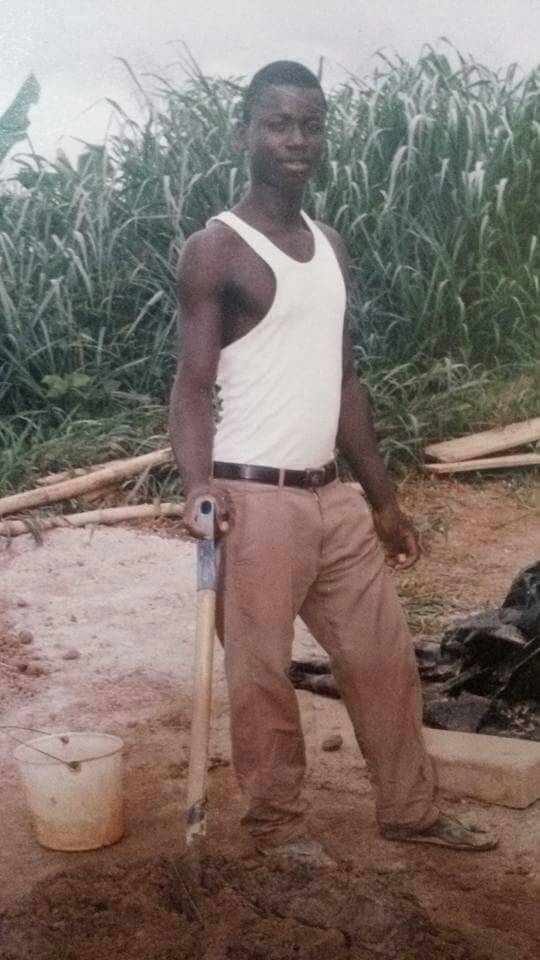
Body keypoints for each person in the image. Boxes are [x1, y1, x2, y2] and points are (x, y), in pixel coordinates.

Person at [168, 60, 497, 864]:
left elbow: (344, 381)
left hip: (331, 497)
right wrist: (198, 486)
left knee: (384, 661)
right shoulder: (216, 250)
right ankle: (278, 828)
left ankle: (409, 812)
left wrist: (383, 501)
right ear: (245, 131)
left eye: (311, 124)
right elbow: (191, 384)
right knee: (261, 679)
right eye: (279, 123)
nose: (296, 140)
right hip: (255, 503)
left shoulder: (330, 245)